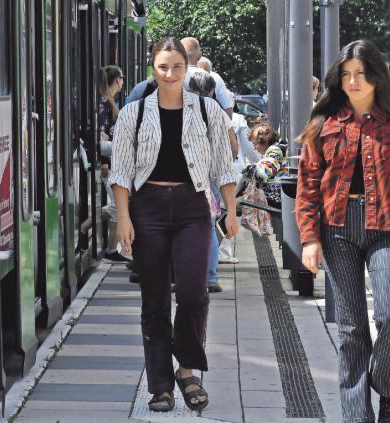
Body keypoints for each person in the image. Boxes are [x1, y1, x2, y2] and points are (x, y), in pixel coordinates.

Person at [110, 37, 238, 412]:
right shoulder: (134, 114)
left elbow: (223, 166)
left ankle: (186, 369)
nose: (169, 74)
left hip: (192, 207)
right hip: (147, 206)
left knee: (194, 294)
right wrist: (124, 218)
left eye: (176, 67)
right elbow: (120, 171)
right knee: (154, 300)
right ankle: (160, 386)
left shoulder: (206, 110)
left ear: (187, 69)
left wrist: (230, 211)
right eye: (163, 67)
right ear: (153, 68)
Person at [295, 39, 390, 423]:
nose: (354, 82)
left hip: (387, 228)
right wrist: (309, 239)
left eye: (361, 74)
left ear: (377, 76)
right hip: (338, 228)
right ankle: (357, 416)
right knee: (350, 328)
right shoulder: (324, 121)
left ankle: (389, 390)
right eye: (346, 75)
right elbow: (308, 182)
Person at [187, 71, 228, 291]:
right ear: (212, 91)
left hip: (186, 175)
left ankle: (185, 277)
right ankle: (210, 278)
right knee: (208, 226)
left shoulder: (181, 109)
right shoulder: (218, 112)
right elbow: (231, 148)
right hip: (211, 176)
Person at [126, 38, 234, 117]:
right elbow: (228, 114)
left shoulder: (149, 84)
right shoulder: (214, 78)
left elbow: (128, 115)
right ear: (199, 55)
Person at [96, 65, 129, 262]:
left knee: (115, 205)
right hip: (108, 161)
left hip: (111, 159)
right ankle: (110, 249)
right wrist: (105, 161)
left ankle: (84, 227)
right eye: (122, 78)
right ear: (116, 80)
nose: (123, 82)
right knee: (116, 205)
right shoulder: (104, 103)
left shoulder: (109, 101)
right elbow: (101, 137)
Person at [249, 123, 286, 208]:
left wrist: (251, 169)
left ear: (264, 140)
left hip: (275, 203)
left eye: (255, 144)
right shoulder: (276, 148)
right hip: (276, 201)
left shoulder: (275, 150)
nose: (254, 148)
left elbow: (264, 173)